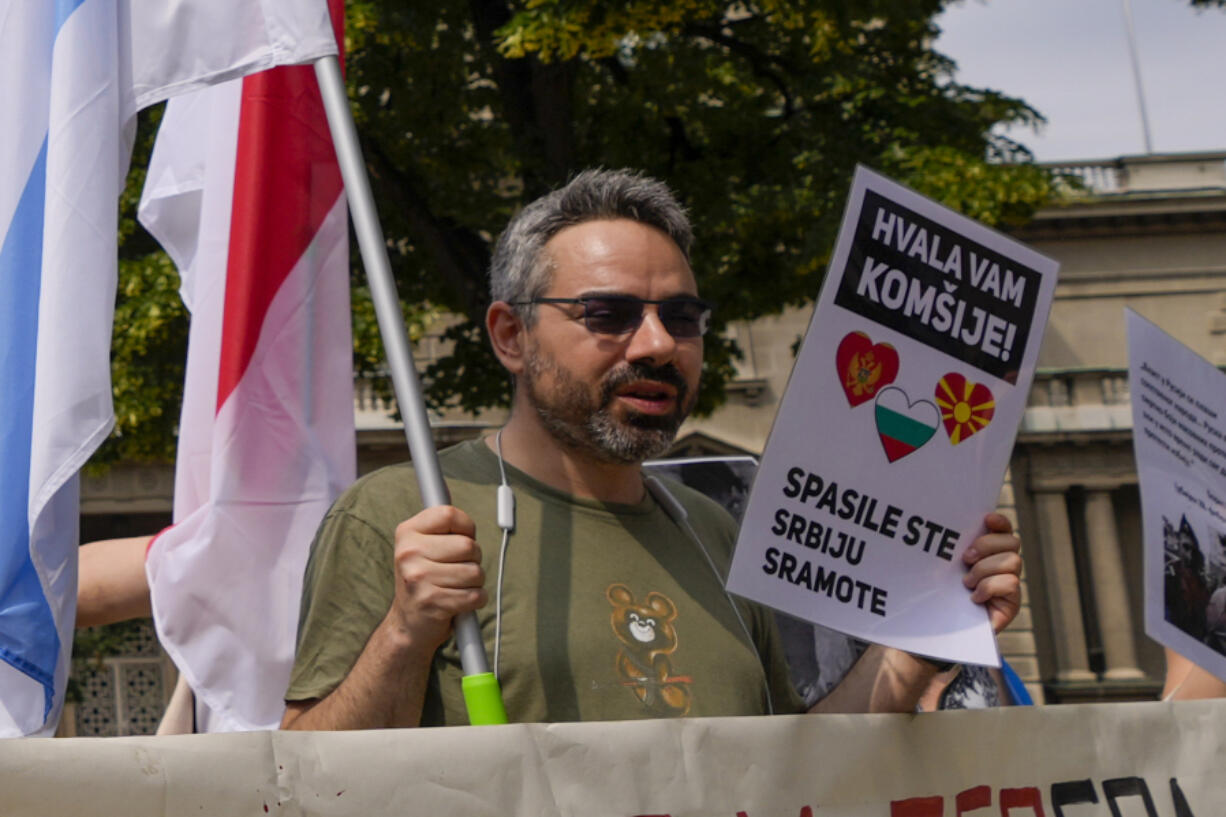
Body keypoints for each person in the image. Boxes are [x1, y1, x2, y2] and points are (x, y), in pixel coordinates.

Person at [280, 169, 1022, 729]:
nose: (660, 343)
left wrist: (922, 637)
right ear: (511, 335)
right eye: (609, 313)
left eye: (682, 316)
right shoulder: (402, 514)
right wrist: (406, 634)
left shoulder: (714, 531)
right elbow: (311, 777)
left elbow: (801, 766)